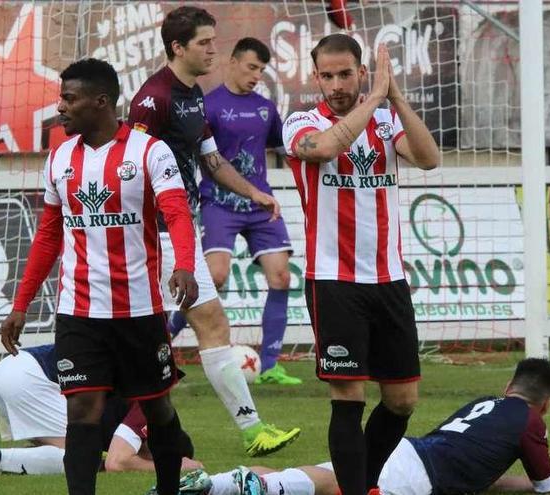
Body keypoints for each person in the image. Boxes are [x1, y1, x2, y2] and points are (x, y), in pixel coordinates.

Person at [0, 58, 199, 495]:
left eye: (69, 99)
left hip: (140, 310)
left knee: (158, 408)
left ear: (101, 102)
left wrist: (184, 263)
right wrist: (20, 305)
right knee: (82, 413)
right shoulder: (59, 158)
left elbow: (176, 213)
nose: (61, 107)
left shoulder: (149, 151)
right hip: (80, 312)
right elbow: (48, 237)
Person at [128, 6, 300, 456]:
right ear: (177, 47)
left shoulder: (193, 94)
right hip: (156, 234)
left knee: (194, 327)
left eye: (213, 40)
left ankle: (246, 431)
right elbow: (126, 166)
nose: (212, 49)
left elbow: (212, 160)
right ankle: (245, 430)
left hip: (179, 228)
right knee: (205, 325)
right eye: (203, 42)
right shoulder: (153, 99)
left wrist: (256, 194)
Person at [282, 34, 440, 495]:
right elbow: (325, 149)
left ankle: (364, 483)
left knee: (402, 400)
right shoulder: (300, 122)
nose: (335, 84)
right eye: (326, 75)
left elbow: (430, 159)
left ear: (361, 72)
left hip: (389, 277)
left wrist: (394, 98)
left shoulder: (387, 121)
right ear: (315, 77)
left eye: (345, 74)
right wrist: (374, 99)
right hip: (333, 281)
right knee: (348, 396)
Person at [174, 358, 550, 495]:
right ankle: (249, 488)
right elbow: (546, 487)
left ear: (507, 386)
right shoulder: (531, 422)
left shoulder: (486, 404)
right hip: (417, 475)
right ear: (545, 404)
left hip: (411, 453)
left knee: (326, 479)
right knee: (330, 485)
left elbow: (483, 473)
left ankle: (215, 484)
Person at [201, 37, 300, 386]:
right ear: (233, 61)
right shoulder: (208, 106)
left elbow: (287, 147)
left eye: (261, 69)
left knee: (282, 278)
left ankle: (271, 365)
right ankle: (166, 339)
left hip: (260, 205)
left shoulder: (265, 108)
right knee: (213, 278)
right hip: (219, 203)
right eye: (251, 67)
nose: (256, 75)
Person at [0, 344, 201, 477]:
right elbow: (117, 463)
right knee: (84, 461)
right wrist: (174, 468)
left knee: (68, 452)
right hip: (30, 376)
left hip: (12, 368)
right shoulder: (149, 406)